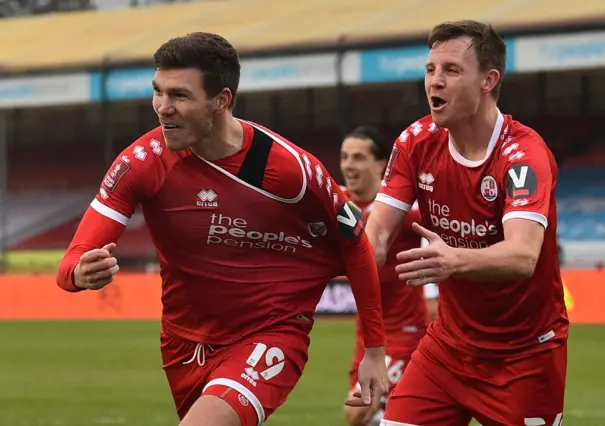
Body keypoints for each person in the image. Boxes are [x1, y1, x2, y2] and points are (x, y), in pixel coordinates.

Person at [55, 32, 388, 426]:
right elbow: (69, 265)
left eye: (179, 95)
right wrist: (80, 271)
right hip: (182, 344)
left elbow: (355, 243)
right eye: (157, 92)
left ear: (222, 100)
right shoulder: (141, 162)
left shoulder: (288, 169)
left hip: (271, 332)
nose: (163, 108)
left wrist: (374, 351)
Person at [365, 20, 569, 426]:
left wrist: (453, 261)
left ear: (488, 81)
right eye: (430, 70)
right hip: (448, 349)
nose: (434, 82)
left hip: (525, 354)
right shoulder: (415, 141)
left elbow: (523, 255)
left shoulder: (523, 154)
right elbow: (378, 234)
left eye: (452, 71)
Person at [339, 126, 432, 426]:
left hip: (405, 331)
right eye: (344, 157)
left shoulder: (398, 208)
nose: (349, 165)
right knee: (367, 413)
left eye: (358, 157)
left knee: (356, 412)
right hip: (366, 332)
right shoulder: (337, 204)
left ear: (381, 164)